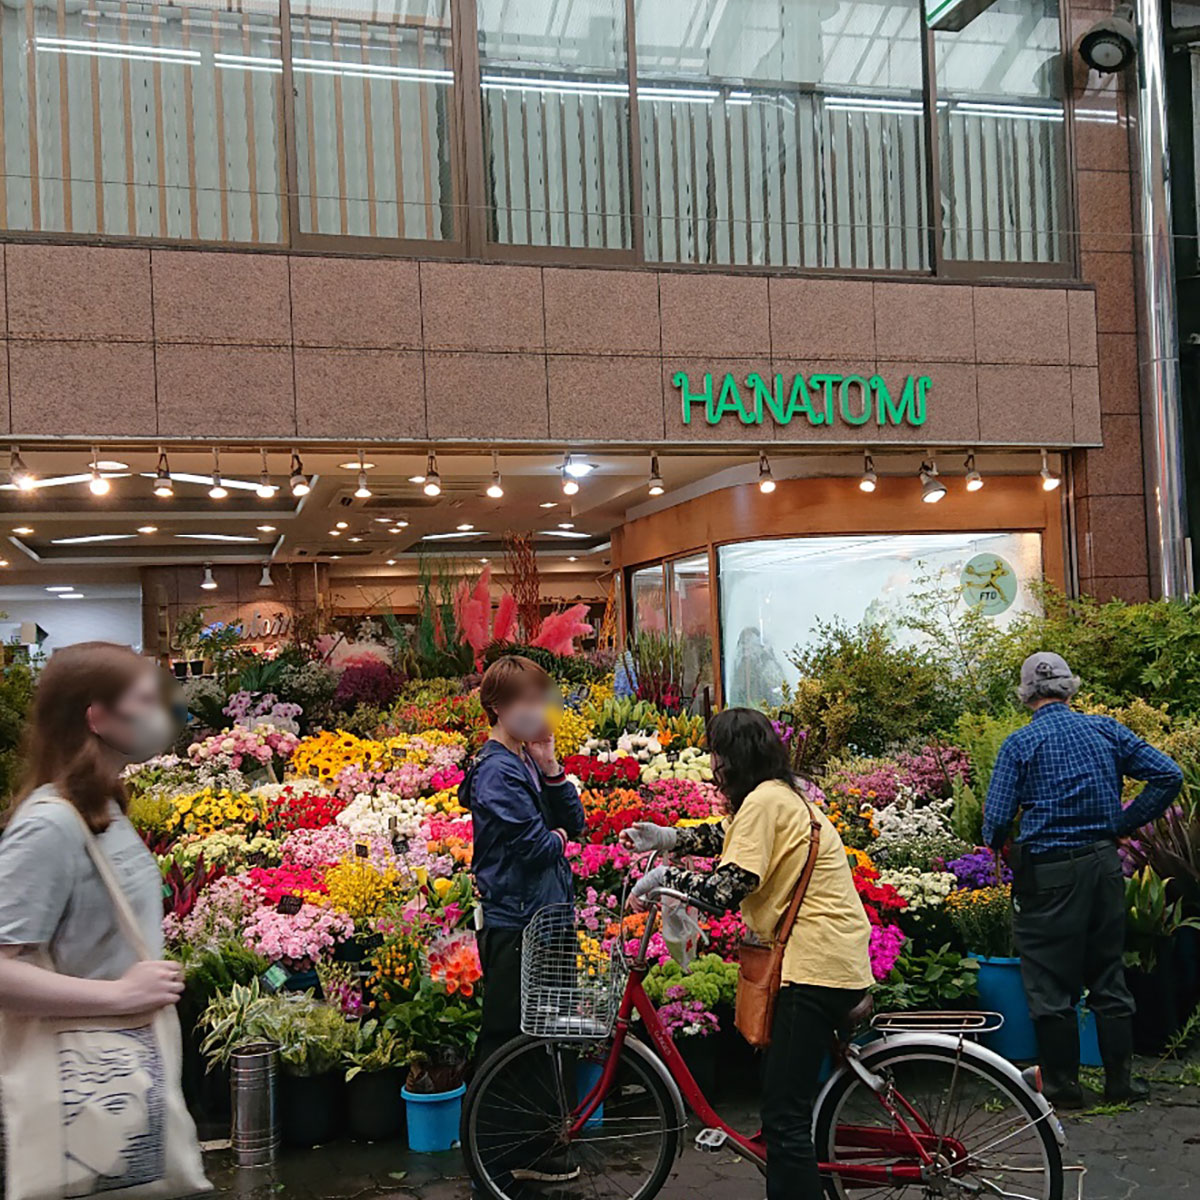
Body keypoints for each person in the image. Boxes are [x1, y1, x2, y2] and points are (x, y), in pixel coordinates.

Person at [624, 707, 872, 1200]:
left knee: (783, 1118)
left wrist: (664, 878)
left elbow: (726, 887)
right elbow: (729, 836)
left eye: (717, 755)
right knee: (786, 1102)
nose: (714, 766)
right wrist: (671, 838)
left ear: (732, 759)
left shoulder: (764, 802)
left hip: (812, 966)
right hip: (830, 958)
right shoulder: (778, 796)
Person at [0, 643, 190, 1185]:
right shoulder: (49, 825)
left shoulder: (102, 806)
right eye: (147, 699)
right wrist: (119, 995)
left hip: (117, 1073)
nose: (164, 713)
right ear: (98, 716)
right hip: (80, 1077)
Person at [984, 651, 1183, 1108]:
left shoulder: (1020, 744)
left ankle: (1062, 1086)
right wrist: (1124, 820)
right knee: (1107, 972)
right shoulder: (1105, 730)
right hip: (1103, 864)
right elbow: (1167, 775)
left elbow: (994, 821)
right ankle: (1121, 1083)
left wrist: (1000, 840)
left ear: (1026, 693)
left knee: (1049, 981)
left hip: (1049, 875)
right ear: (1068, 687)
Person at [459, 654, 585, 1183]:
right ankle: (494, 1154)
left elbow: (574, 822)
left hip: (542, 915)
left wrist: (552, 765)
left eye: (540, 699)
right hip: (516, 921)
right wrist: (556, 837)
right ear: (497, 708)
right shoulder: (494, 772)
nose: (536, 711)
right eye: (524, 702)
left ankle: (536, 1149)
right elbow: (539, 846)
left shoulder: (526, 760)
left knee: (538, 1037)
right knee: (510, 1037)